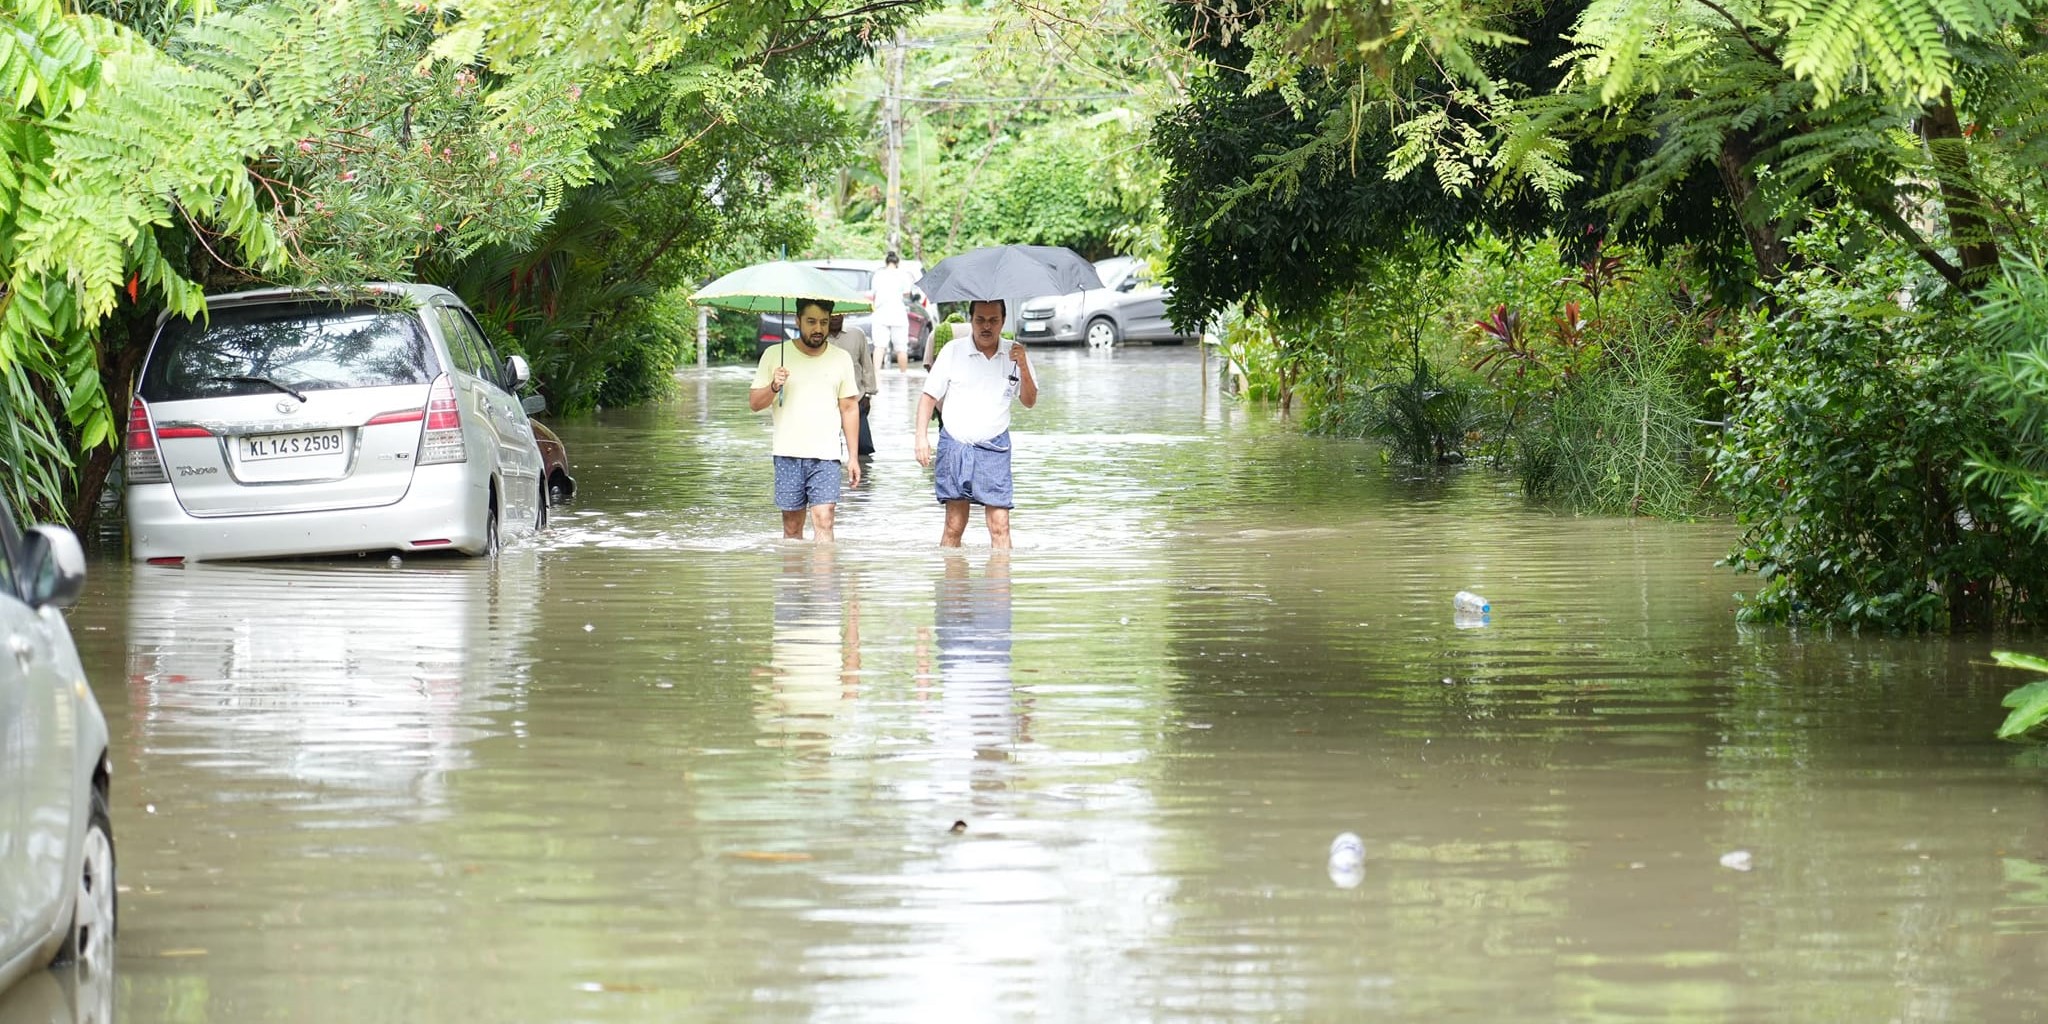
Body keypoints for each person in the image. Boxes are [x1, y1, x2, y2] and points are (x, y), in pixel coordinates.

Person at [914, 299, 1036, 548]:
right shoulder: (953, 350)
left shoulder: (1014, 353)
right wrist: (921, 437)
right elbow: (928, 397)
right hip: (955, 444)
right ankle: (952, 582)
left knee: (1000, 525)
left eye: (993, 320)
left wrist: (1023, 365)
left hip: (995, 447)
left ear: (1003, 321)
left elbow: (1029, 401)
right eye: (980, 319)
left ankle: (1001, 583)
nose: (986, 326)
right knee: (954, 524)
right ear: (971, 320)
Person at [749, 298, 862, 541]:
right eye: (811, 322)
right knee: (791, 528)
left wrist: (853, 457)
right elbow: (755, 404)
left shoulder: (841, 358)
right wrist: (773, 386)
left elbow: (850, 408)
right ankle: (796, 580)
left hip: (827, 455)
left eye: (823, 322)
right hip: (787, 453)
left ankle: (824, 579)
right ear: (797, 320)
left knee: (824, 518)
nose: (818, 329)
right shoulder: (774, 355)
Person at [828, 312, 877, 456]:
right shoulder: (818, 338)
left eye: (839, 313)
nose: (836, 317)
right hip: (827, 401)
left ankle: (862, 476)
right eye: (832, 314)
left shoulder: (856, 334)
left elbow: (867, 365)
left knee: (863, 447)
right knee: (831, 449)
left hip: (857, 399)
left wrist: (868, 395)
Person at [869, 251, 915, 374]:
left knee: (879, 346)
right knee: (901, 348)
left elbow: (874, 292)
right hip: (898, 313)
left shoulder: (878, 275)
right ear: (897, 262)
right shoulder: (903, 275)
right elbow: (907, 292)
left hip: (881, 313)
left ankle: (875, 374)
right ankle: (903, 374)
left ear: (886, 261)